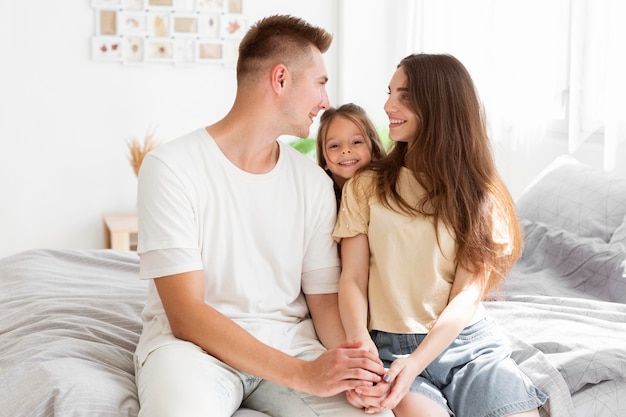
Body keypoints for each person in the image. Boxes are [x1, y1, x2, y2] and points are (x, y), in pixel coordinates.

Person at [133, 15, 394, 417]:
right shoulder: (171, 167)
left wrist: (357, 369)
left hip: (292, 342)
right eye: (320, 83)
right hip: (191, 352)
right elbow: (185, 315)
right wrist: (304, 375)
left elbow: (323, 301)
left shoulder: (312, 181)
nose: (325, 101)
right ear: (281, 79)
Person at [333, 53, 548, 417]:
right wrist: (363, 350)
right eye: (390, 92)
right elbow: (352, 277)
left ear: (439, 103)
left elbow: (467, 295)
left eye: (404, 95)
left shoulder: (481, 194)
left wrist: (417, 362)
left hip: (467, 346)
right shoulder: (366, 186)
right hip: (388, 348)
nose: (387, 105)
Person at [316, 103, 386, 206]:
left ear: (374, 151)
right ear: (324, 159)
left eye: (356, 142)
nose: (346, 150)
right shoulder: (317, 198)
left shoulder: (387, 193)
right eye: (334, 146)